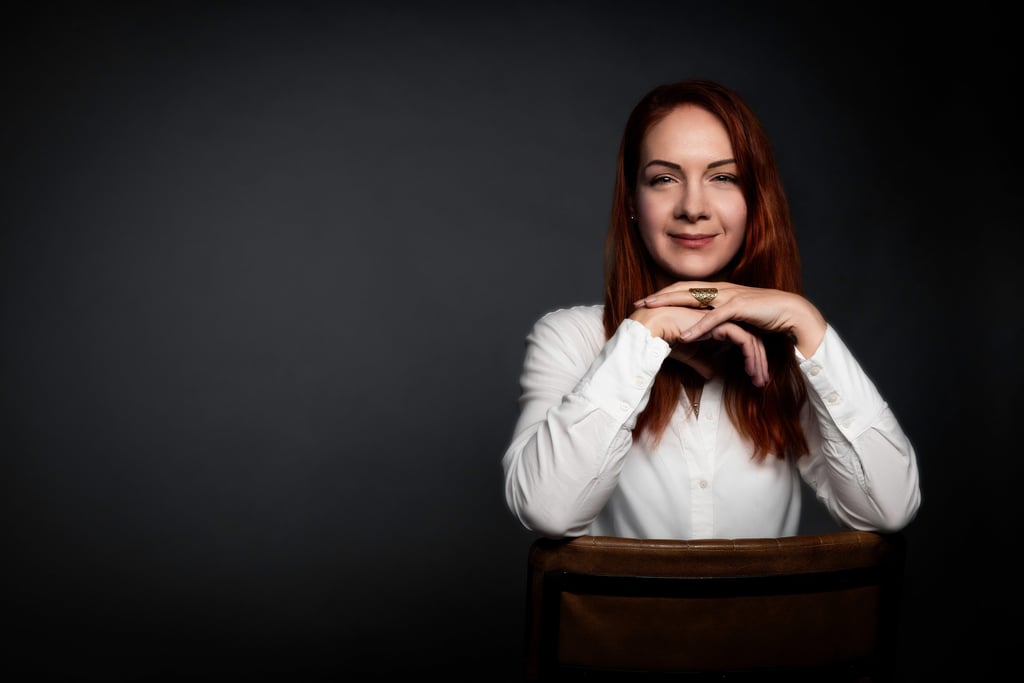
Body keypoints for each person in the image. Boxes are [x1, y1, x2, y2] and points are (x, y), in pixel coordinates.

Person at [501, 78, 921, 540]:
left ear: (753, 200)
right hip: (620, 616)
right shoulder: (571, 338)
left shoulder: (790, 351)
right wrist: (647, 330)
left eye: (723, 177)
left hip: (766, 617)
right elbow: (547, 512)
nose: (693, 207)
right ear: (633, 203)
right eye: (664, 178)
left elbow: (889, 509)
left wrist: (806, 320)